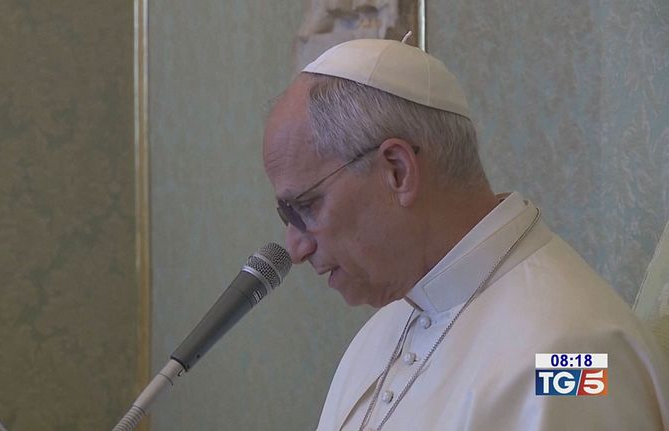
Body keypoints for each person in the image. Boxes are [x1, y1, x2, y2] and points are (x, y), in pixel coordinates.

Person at [262, 38, 669, 430]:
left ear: (397, 171)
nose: (295, 248)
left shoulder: (577, 354)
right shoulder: (382, 331)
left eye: (305, 207)